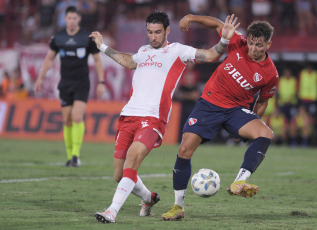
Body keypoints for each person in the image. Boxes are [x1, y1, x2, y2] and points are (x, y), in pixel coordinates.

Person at [89, 10, 239, 224]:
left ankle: (112, 211)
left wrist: (224, 39)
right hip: (129, 115)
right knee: (119, 174)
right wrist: (103, 46)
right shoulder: (143, 51)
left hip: (152, 118)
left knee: (133, 159)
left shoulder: (178, 50)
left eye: (158, 32)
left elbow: (212, 55)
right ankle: (148, 198)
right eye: (150, 32)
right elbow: (129, 61)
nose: (153, 37)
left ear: (167, 30)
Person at [162, 14, 278, 220]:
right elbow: (217, 23)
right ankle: (177, 207)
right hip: (209, 105)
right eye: (251, 43)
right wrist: (190, 17)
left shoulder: (270, 74)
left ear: (269, 44)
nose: (253, 49)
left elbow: (262, 101)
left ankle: (239, 181)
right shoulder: (238, 42)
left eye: (259, 45)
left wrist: (250, 122)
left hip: (236, 111)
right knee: (184, 150)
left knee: (265, 133)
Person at [34, 6, 105, 167]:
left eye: (75, 18)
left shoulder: (86, 38)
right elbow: (49, 59)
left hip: (82, 83)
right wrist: (40, 79)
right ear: (65, 19)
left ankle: (75, 155)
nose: (72, 21)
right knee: (66, 120)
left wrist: (101, 82)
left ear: (78, 19)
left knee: (77, 117)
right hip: (65, 84)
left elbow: (97, 60)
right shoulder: (58, 38)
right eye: (69, 18)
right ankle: (69, 156)